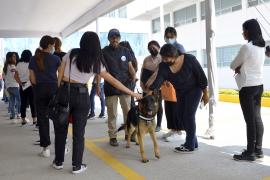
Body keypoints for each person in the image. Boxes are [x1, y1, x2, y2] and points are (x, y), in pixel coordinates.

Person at [54, 31, 141, 174]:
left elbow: (61, 71)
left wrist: (59, 90)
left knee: (61, 128)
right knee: (78, 132)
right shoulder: (97, 61)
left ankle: (58, 162)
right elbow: (114, 81)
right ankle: (77, 165)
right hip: (82, 96)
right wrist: (133, 93)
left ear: (82, 42)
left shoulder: (71, 53)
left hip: (65, 91)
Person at [149, 44, 208, 153]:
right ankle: (193, 142)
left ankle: (189, 145)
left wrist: (205, 94)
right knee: (180, 116)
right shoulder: (163, 66)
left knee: (188, 115)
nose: (164, 61)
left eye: (166, 58)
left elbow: (201, 77)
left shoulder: (189, 59)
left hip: (194, 90)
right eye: (163, 58)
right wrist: (149, 91)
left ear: (174, 56)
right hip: (180, 92)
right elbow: (158, 81)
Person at [230, 19, 266, 161]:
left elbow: (233, 65)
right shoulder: (261, 47)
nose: (242, 32)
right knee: (257, 118)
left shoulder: (247, 47)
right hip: (259, 85)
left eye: (244, 29)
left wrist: (239, 66)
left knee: (250, 121)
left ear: (249, 31)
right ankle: (258, 150)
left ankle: (250, 153)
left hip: (247, 87)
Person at [102, 29, 137, 146]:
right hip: (110, 87)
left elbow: (130, 66)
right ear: (109, 38)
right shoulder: (103, 52)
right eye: (112, 37)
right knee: (112, 114)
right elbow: (99, 70)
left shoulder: (125, 51)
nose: (115, 39)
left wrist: (134, 77)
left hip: (125, 86)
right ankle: (112, 136)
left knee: (128, 112)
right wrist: (97, 85)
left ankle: (128, 133)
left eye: (117, 37)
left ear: (119, 38)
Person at [29, 35, 61, 158]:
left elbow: (32, 78)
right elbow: (61, 76)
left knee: (42, 119)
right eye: (53, 45)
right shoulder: (56, 59)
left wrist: (39, 86)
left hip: (39, 90)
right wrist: (56, 87)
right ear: (49, 46)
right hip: (53, 89)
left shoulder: (33, 59)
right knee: (58, 119)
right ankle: (61, 147)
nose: (53, 47)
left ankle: (46, 149)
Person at [162, 27, 186, 141]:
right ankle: (172, 129)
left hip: (177, 81)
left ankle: (179, 131)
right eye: (167, 36)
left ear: (175, 36)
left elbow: (182, 64)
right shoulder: (165, 48)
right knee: (168, 106)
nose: (169, 38)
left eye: (171, 37)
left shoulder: (179, 48)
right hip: (166, 81)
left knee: (176, 106)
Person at [140, 40, 163, 132]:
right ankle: (147, 123)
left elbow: (158, 73)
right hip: (145, 86)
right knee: (146, 104)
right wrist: (142, 82)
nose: (152, 49)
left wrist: (150, 83)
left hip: (157, 86)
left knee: (157, 105)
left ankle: (158, 125)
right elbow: (142, 71)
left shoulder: (162, 58)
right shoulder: (146, 59)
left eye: (154, 47)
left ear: (158, 47)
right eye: (150, 48)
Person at [14, 50, 37, 125]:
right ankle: (34, 119)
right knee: (32, 103)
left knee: (23, 103)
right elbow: (32, 75)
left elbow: (15, 76)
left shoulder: (18, 64)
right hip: (31, 85)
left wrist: (20, 83)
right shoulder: (31, 63)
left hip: (22, 85)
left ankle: (23, 119)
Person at [119, 41, 138, 108]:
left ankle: (132, 117)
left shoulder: (126, 57)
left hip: (127, 82)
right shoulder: (133, 57)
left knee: (128, 103)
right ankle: (132, 116)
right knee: (131, 101)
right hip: (132, 81)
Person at [5, 52, 21, 121]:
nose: (15, 58)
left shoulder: (6, 66)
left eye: (15, 56)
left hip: (8, 86)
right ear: (10, 58)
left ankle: (12, 114)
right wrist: (20, 82)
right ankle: (18, 113)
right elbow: (15, 76)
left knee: (12, 100)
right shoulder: (12, 66)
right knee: (19, 100)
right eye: (13, 57)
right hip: (14, 85)